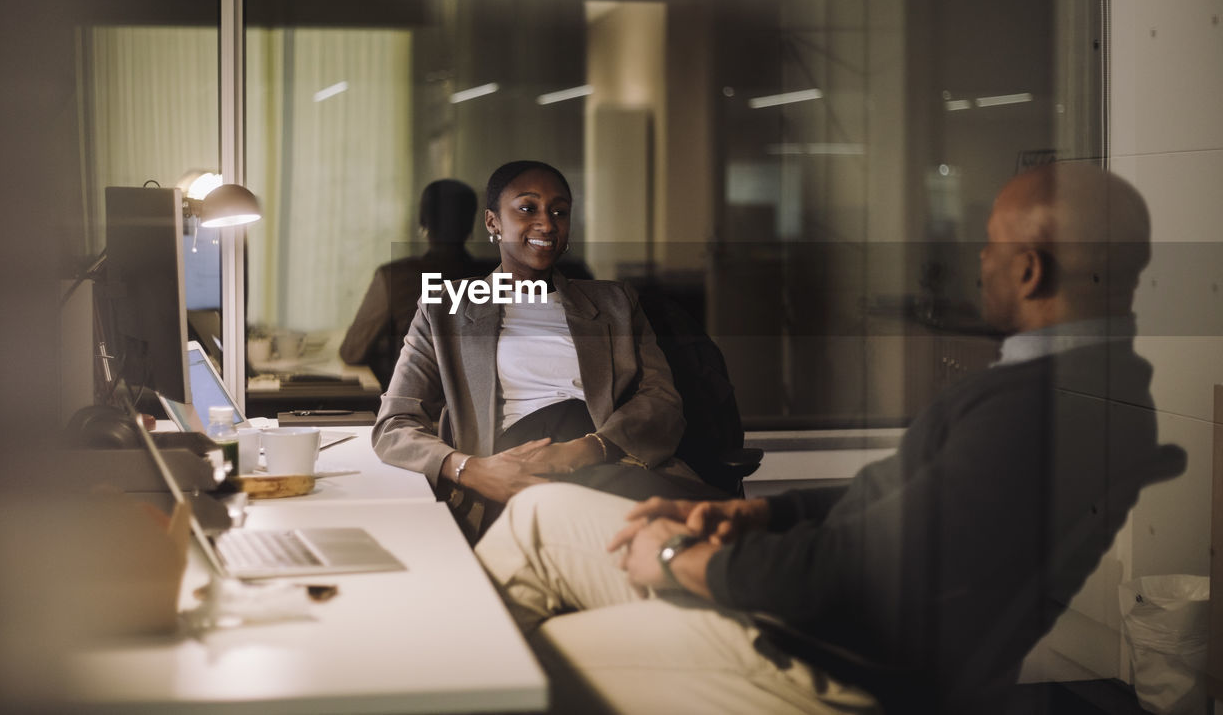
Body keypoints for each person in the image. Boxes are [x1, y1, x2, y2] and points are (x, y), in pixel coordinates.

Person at [474, 163, 1171, 714]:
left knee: (515, 661)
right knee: (537, 512)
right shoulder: (1077, 387)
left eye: (990, 242)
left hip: (816, 660)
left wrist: (681, 558)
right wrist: (760, 512)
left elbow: (860, 573)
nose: (979, 259)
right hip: (810, 612)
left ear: (1028, 270)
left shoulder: (1041, 409)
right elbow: (905, 500)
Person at [373, 160, 712, 538]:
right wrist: (470, 469)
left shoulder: (615, 302)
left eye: (559, 211)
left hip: (606, 457)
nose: (547, 224)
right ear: (492, 223)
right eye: (527, 208)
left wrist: (586, 450)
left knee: (681, 530)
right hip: (510, 470)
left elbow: (661, 399)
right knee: (677, 532)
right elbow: (394, 425)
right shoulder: (444, 308)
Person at [339, 179, 490, 388]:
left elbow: (352, 351)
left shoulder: (394, 277)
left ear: (423, 222)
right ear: (471, 224)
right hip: (483, 412)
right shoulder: (495, 277)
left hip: (416, 409)